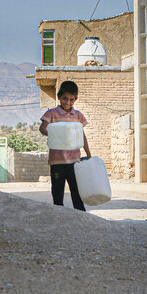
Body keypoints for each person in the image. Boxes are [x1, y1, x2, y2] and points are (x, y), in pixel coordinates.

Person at [39, 80, 91, 211]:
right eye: (64, 99)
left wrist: (89, 155)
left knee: (77, 190)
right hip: (57, 162)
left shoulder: (78, 115)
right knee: (57, 191)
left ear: (76, 99)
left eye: (71, 100)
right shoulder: (51, 113)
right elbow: (42, 128)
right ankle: (58, 216)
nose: (68, 103)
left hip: (75, 161)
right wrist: (54, 134)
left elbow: (82, 136)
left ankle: (80, 216)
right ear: (58, 97)